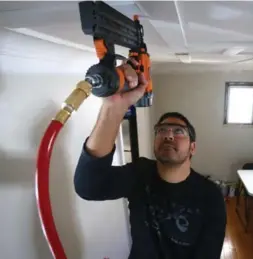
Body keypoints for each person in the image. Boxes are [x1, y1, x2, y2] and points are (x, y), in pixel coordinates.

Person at [74, 60, 226, 259]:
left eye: (179, 131)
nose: (168, 135)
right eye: (162, 130)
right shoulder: (140, 173)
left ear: (193, 148)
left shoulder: (210, 196)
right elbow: (89, 186)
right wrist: (114, 108)